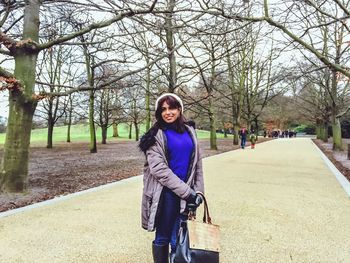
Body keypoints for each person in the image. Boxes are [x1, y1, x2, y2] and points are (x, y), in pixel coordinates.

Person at [139, 93, 204, 263]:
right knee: (163, 237)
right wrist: (187, 192)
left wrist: (198, 192)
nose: (168, 112)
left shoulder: (190, 131)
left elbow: (197, 166)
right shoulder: (155, 136)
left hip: (187, 194)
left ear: (180, 109)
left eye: (172, 108)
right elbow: (159, 169)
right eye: (163, 109)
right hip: (165, 195)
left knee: (180, 239)